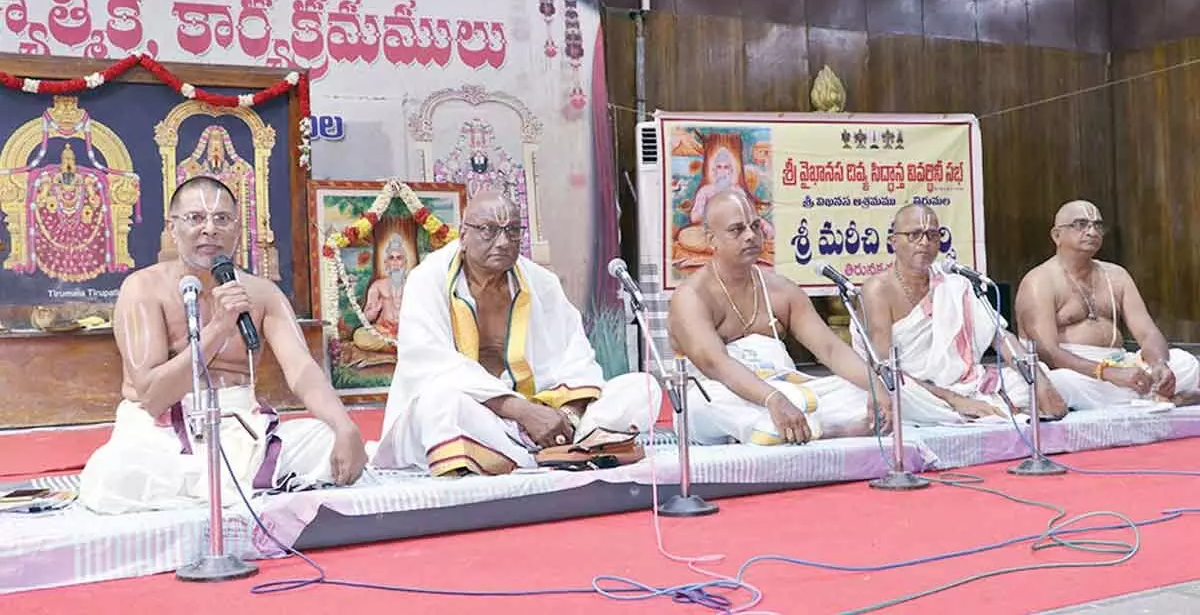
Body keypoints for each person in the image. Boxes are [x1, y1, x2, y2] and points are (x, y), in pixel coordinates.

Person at [79, 176, 367, 514]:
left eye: (222, 219)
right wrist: (217, 328)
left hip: (238, 425)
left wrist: (344, 425)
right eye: (196, 218)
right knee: (113, 476)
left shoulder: (261, 293)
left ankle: (214, 491)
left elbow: (302, 369)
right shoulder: (143, 289)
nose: (210, 229)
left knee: (328, 443)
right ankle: (233, 491)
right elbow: (153, 395)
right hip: (160, 434)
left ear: (237, 230)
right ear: (173, 228)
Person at [371, 191, 660, 476]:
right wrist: (523, 413)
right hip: (480, 417)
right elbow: (430, 364)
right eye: (488, 230)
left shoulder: (541, 283)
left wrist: (564, 415)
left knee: (642, 389)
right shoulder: (428, 279)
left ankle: (552, 447)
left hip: (542, 410)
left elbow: (576, 359)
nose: (503, 242)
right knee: (439, 404)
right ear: (463, 234)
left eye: (512, 231)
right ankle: (552, 453)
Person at [668, 190, 888, 446]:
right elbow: (716, 365)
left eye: (755, 226)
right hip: (726, 396)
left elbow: (830, 349)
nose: (750, 236)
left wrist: (874, 386)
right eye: (737, 230)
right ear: (711, 239)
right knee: (701, 401)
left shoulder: (781, 291)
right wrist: (773, 399)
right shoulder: (691, 296)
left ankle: (779, 431)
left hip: (786, 390)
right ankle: (826, 430)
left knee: (862, 393)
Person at [857, 204, 1067, 425]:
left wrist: (1038, 379)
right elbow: (883, 368)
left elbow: (1000, 337)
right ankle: (970, 409)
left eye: (932, 235)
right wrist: (955, 399)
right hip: (912, 387)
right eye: (914, 235)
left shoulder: (955, 284)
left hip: (962, 381)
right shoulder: (878, 289)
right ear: (893, 242)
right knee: (892, 393)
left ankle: (977, 408)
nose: (924, 242)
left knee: (1037, 379)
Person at [1015, 200, 1200, 410]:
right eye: (1080, 224)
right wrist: (1106, 373)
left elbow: (1147, 333)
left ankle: (1141, 396)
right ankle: (1154, 400)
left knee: (1185, 362)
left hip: (1122, 364)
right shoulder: (1040, 281)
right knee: (1059, 383)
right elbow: (1046, 351)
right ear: (1057, 236)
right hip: (1078, 372)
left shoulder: (1117, 275)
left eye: (1097, 225)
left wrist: (1159, 364)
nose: (1092, 231)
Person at [352, 234, 408, 352]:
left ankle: (398, 344)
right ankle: (398, 346)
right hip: (382, 331)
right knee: (359, 336)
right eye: (391, 258)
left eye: (399, 258)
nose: (395, 262)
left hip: (407, 331)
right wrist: (374, 311)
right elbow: (366, 317)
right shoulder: (378, 285)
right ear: (386, 263)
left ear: (405, 263)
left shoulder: (413, 285)